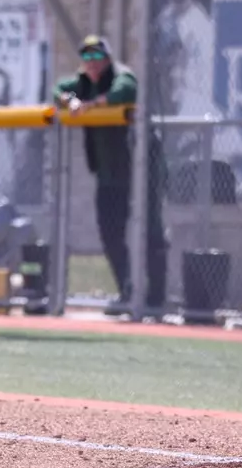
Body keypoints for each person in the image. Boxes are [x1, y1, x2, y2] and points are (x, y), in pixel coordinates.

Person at [53, 34, 169, 318]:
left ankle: (156, 300)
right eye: (87, 57)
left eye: (97, 57)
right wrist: (70, 100)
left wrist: (91, 104)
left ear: (107, 58)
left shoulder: (121, 76)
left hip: (142, 173)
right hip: (108, 175)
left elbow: (124, 91)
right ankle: (127, 291)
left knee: (151, 233)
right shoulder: (81, 82)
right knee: (110, 233)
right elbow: (58, 90)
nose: (92, 63)